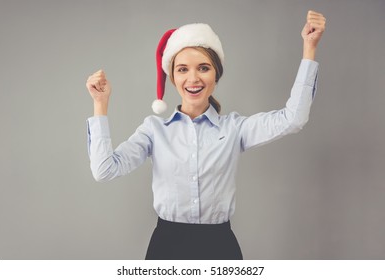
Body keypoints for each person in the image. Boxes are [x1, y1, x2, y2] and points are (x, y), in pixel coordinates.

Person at [85, 10, 326, 260]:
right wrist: (100, 104)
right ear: (172, 77)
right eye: (182, 69)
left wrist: (309, 48)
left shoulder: (234, 129)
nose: (193, 78)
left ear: (216, 74)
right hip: (167, 246)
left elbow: (293, 118)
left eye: (203, 68)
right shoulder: (153, 131)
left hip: (219, 246)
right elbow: (104, 170)